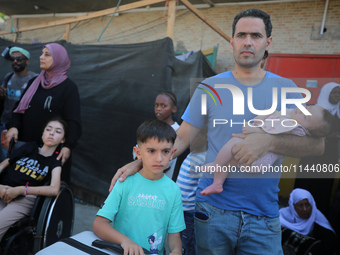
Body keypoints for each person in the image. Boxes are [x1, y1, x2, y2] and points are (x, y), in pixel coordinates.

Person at [110, 9, 325, 255]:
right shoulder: (209, 87)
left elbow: (317, 146)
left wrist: (267, 142)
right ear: (231, 41)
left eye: (255, 35)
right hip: (212, 212)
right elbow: (182, 137)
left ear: (268, 42)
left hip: (264, 217)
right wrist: (140, 163)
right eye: (241, 35)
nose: (247, 41)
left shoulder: (287, 89)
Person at [93, 119, 185, 255]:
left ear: (172, 153)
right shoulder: (125, 182)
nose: (159, 158)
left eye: (165, 151)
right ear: (138, 152)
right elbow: (99, 224)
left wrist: (177, 250)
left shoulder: (174, 190)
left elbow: (174, 235)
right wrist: (126, 241)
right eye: (151, 151)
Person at [201, 105, 335, 196]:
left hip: (261, 159)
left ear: (308, 131)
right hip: (255, 157)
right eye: (307, 108)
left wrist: (256, 130)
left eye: (306, 117)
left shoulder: (294, 127)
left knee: (233, 144)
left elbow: (275, 131)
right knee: (231, 160)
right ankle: (217, 183)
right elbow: (274, 112)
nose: (302, 111)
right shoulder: (292, 114)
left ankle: (216, 165)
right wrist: (262, 117)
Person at [5, 43, 82, 183]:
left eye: (47, 54)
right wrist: (14, 126)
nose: (41, 57)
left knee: (41, 194)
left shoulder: (68, 88)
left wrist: (68, 146)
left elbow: (73, 121)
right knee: (18, 185)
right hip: (27, 149)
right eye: (42, 53)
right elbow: (19, 108)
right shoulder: (35, 82)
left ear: (58, 59)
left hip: (51, 152)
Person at [0, 117, 67, 241]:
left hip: (24, 198)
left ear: (63, 139)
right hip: (3, 189)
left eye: (58, 131)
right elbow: (3, 165)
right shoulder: (29, 147)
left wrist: (21, 190)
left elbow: (54, 189)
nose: (51, 133)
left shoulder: (54, 162)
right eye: (48, 129)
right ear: (43, 133)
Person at [295, 82, 340, 216]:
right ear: (327, 92)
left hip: (329, 156)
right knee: (306, 184)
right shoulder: (314, 110)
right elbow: (306, 130)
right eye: (334, 93)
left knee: (323, 187)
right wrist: (332, 135)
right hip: (311, 154)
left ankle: (317, 217)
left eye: (339, 93)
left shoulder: (338, 112)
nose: (337, 96)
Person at [0, 47, 38, 161]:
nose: (15, 61)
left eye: (19, 59)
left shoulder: (34, 78)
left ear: (27, 61)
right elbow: (4, 98)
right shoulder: (8, 77)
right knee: (4, 155)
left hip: (23, 126)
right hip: (5, 123)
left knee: (20, 157)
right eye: (12, 59)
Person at [176, 126, 207, 255]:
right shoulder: (191, 153)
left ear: (206, 138)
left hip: (189, 213)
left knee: (186, 245)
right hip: (178, 209)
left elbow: (202, 189)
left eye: (196, 135)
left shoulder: (205, 159)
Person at [280, 188, 337, 255]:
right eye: (300, 205)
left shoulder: (318, 221)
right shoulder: (282, 215)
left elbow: (330, 243)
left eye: (307, 205)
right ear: (293, 206)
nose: (305, 209)